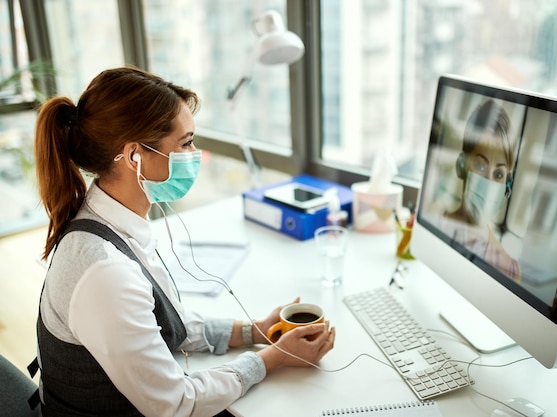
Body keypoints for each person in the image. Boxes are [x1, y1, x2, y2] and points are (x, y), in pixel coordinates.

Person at [32, 66, 335, 417]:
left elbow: (162, 323)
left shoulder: (113, 221)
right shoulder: (104, 270)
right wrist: (273, 359)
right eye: (186, 143)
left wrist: (255, 331)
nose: (195, 154)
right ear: (135, 156)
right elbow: (175, 404)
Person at [443, 99, 521, 282]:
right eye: (480, 166)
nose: (489, 181)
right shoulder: (435, 226)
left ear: (507, 187)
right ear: (461, 166)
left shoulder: (508, 269)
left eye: (499, 175)